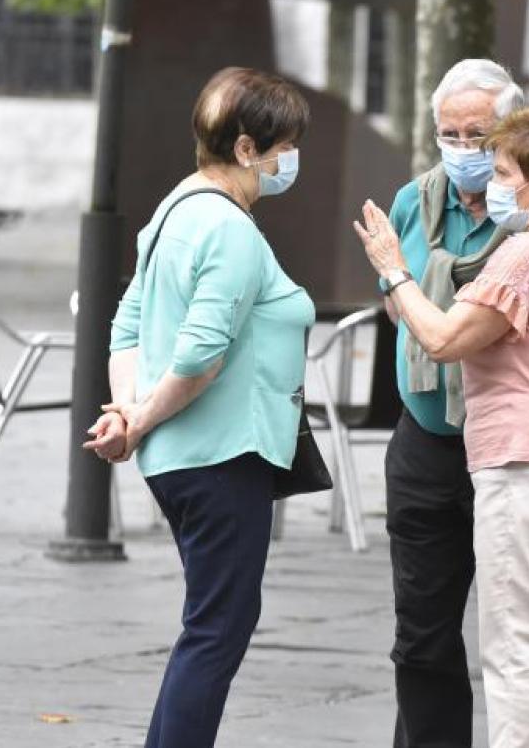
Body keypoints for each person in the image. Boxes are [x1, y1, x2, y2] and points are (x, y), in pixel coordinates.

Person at [355, 103, 529, 748]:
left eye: (506, 170)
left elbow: (443, 338)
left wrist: (394, 268)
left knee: (517, 656)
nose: (493, 181)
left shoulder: (528, 252)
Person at [82, 67, 312, 748]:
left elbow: (126, 327)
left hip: (181, 458)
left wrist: (127, 416)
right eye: (286, 146)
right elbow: (199, 356)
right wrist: (138, 418)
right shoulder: (230, 230)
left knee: (208, 627)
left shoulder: (173, 213)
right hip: (221, 455)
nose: (290, 161)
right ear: (247, 149)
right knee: (217, 633)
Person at [375, 58, 524, 748]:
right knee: (421, 635)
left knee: (518, 635)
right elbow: (395, 301)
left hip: (508, 448)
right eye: (451, 134)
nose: (464, 148)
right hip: (425, 442)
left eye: (479, 135)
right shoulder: (412, 201)